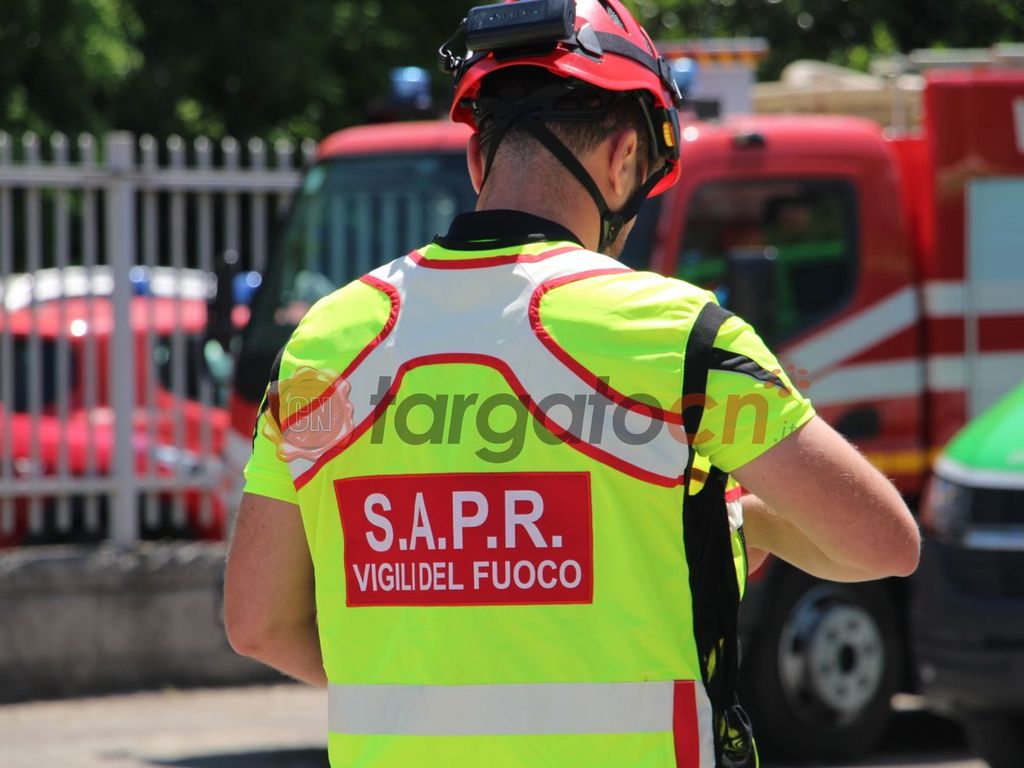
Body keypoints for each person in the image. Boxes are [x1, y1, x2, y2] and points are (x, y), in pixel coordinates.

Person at [223, 2, 920, 766]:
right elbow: (883, 543)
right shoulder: (680, 337)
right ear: (624, 159)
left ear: (477, 161)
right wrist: (754, 526)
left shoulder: (324, 343)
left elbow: (257, 624)